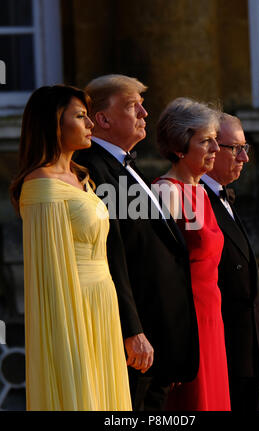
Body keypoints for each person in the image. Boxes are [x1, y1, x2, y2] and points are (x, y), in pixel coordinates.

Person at [74, 75, 199, 411]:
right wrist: (131, 330)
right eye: (132, 106)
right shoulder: (92, 169)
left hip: (159, 340)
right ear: (103, 119)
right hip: (135, 343)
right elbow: (111, 256)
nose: (145, 112)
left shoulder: (129, 167)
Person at [10, 84, 132, 411]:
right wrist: (68, 346)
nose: (90, 124)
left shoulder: (83, 179)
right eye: (80, 116)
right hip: (71, 309)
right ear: (54, 124)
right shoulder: (41, 187)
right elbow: (50, 279)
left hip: (102, 303)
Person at [153, 97, 231, 411]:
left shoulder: (201, 191)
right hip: (186, 325)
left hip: (212, 319)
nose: (216, 149)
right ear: (179, 145)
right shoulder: (166, 192)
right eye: (206, 141)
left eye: (217, 140)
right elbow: (158, 272)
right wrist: (170, 345)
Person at [201, 113, 259, 411]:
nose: (245, 157)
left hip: (246, 357)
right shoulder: (190, 197)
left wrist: (258, 359)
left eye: (246, 148)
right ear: (211, 148)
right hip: (220, 356)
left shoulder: (223, 197)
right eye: (235, 148)